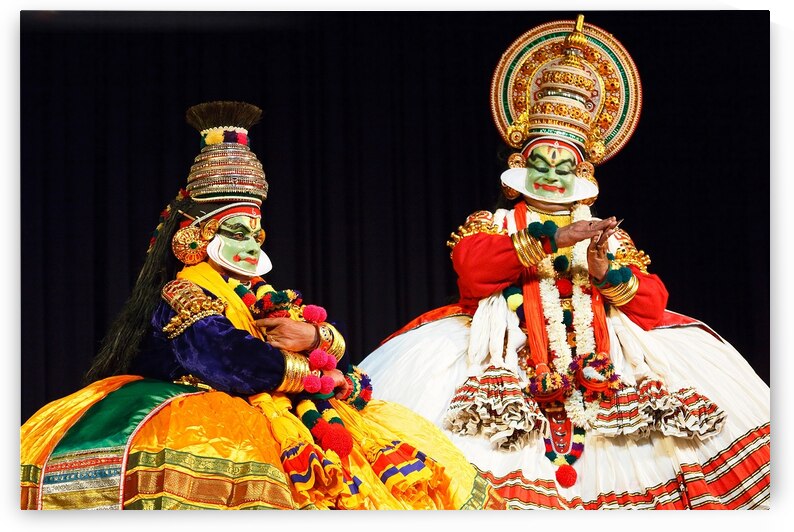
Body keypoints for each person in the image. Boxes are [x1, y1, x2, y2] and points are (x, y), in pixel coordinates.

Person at [360, 15, 770, 510]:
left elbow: (653, 305)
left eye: (564, 166)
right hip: (505, 357)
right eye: (541, 163)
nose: (552, 175)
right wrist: (554, 236)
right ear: (520, 164)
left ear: (582, 170)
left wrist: (606, 272)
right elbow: (473, 275)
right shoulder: (493, 223)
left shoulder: (607, 234)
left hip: (607, 364)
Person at [20, 100, 504, 510]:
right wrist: (312, 373)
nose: (252, 245)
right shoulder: (185, 291)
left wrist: (317, 338)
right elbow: (225, 358)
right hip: (204, 414)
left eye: (256, 233)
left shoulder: (265, 297)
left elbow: (335, 352)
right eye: (237, 233)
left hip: (281, 408)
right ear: (199, 236)